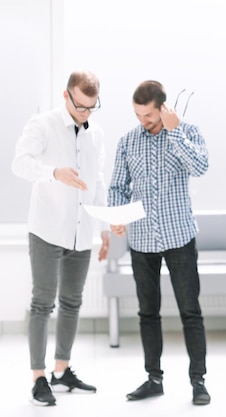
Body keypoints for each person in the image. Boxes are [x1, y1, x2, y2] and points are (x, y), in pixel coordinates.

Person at [108, 80, 211, 406]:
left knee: (190, 312)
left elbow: (201, 167)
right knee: (147, 313)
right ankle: (154, 378)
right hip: (140, 240)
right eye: (138, 115)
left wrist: (174, 130)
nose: (143, 121)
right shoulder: (127, 142)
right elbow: (117, 187)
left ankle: (198, 381)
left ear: (164, 108)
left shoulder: (187, 132)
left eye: (149, 115)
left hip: (179, 236)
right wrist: (117, 216)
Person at [12, 70, 109, 406]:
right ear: (66, 95)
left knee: (72, 302)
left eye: (91, 108)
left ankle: (61, 370)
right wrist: (53, 173)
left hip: (82, 231)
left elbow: (97, 182)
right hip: (47, 229)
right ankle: (39, 378)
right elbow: (19, 164)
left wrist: (106, 229)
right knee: (42, 303)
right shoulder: (43, 124)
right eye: (80, 106)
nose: (85, 114)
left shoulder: (96, 133)